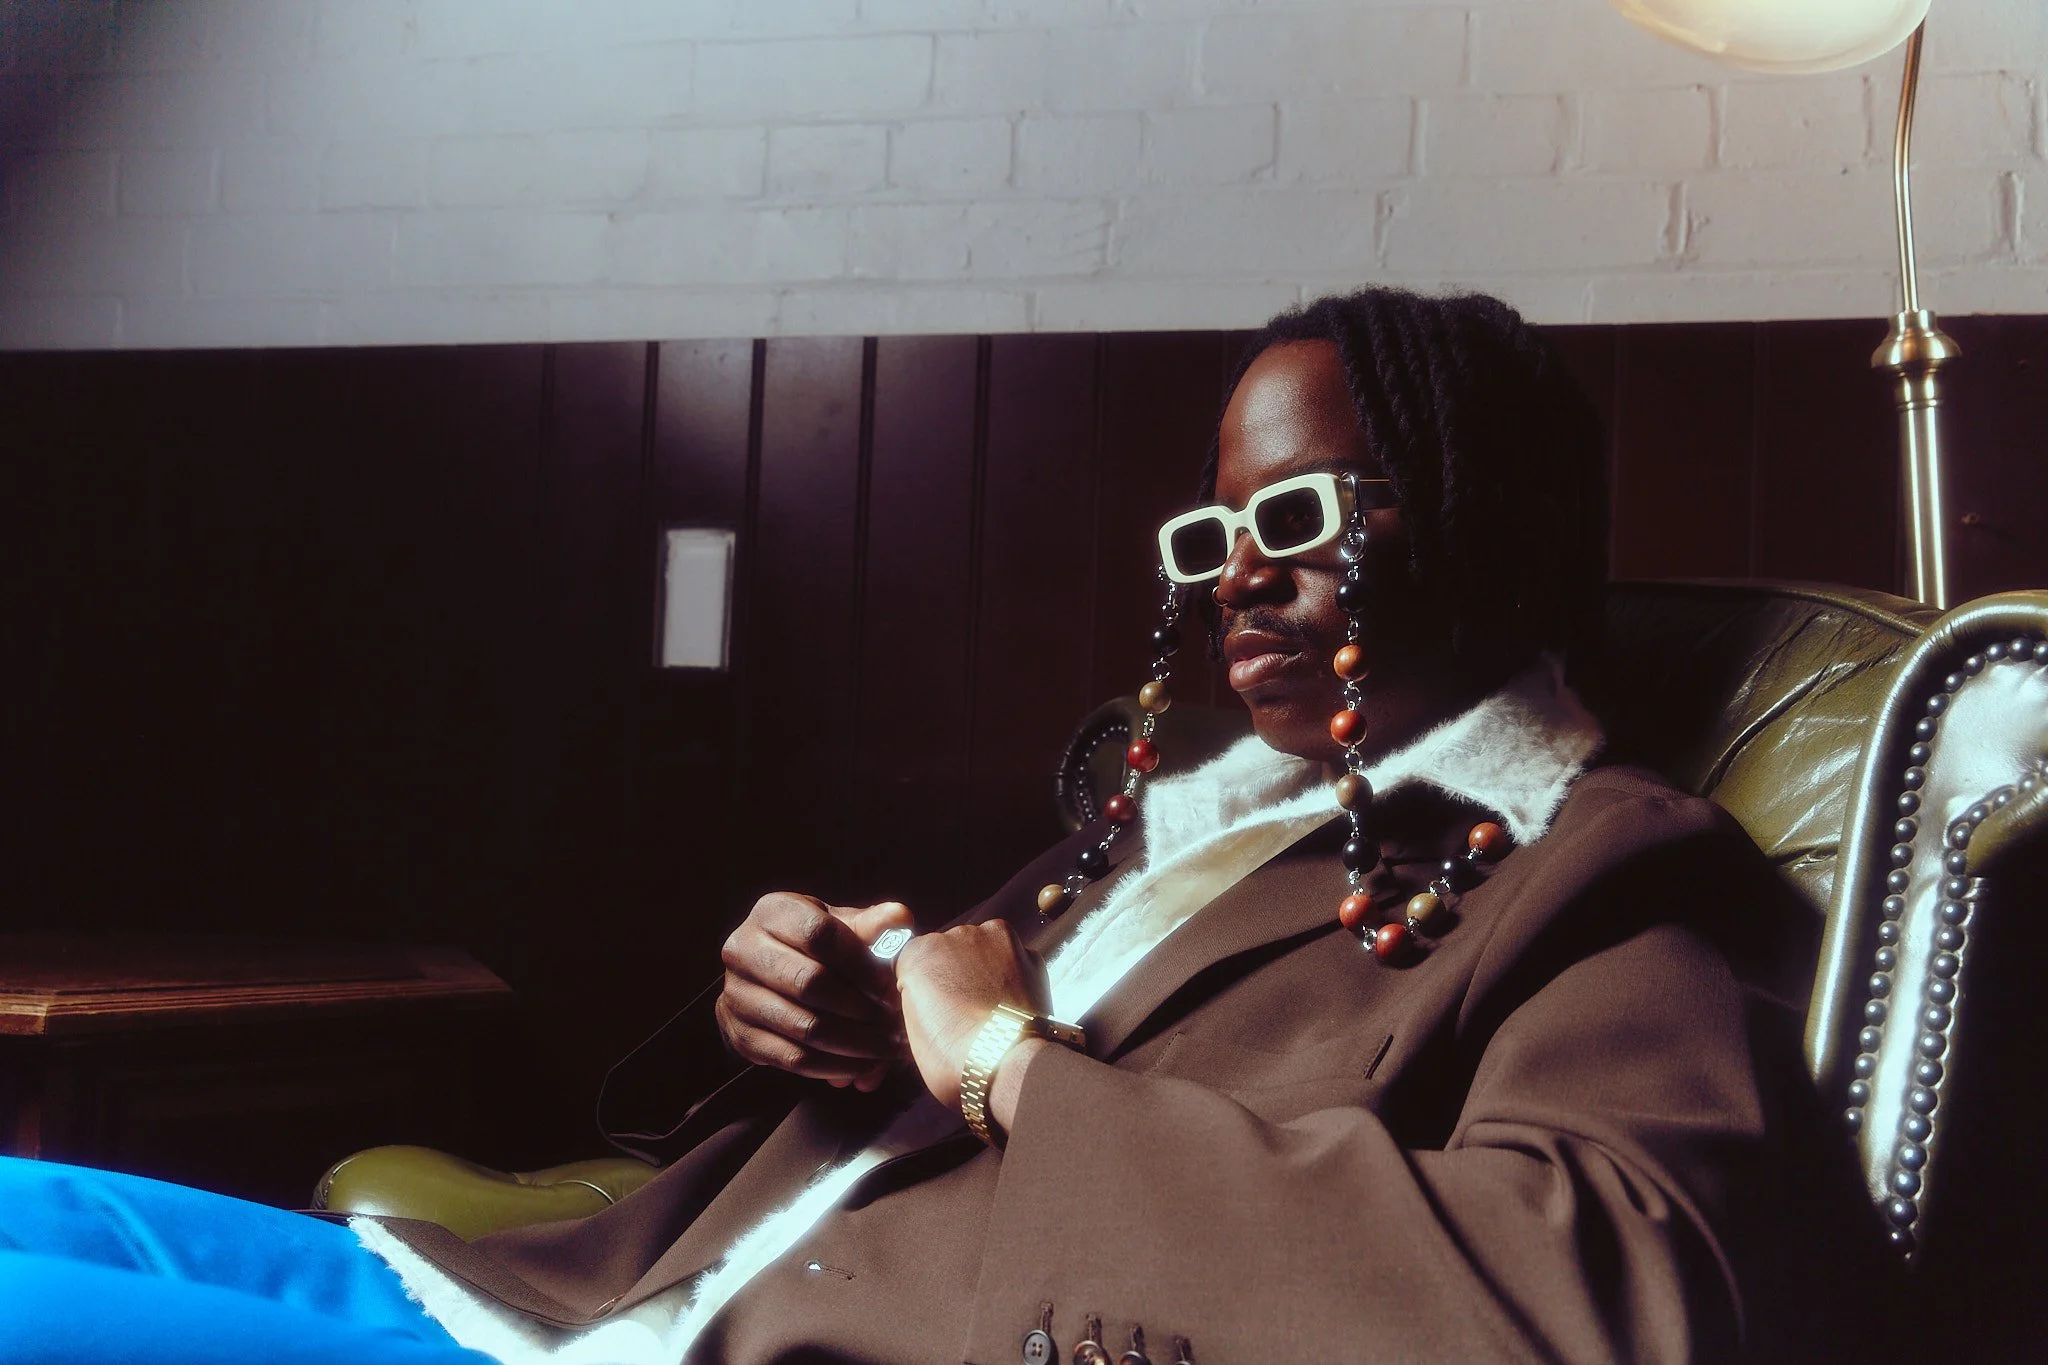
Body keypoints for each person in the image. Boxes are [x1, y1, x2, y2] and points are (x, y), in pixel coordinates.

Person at [0, 288, 1854, 1363]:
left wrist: (1012, 1071)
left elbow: (1600, 1299)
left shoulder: (1606, 874)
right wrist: (804, 1017)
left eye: (1308, 519)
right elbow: (903, 1092)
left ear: (1488, 510)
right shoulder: (1188, 830)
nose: (1242, 584)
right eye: (1214, 541)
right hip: (590, 1296)